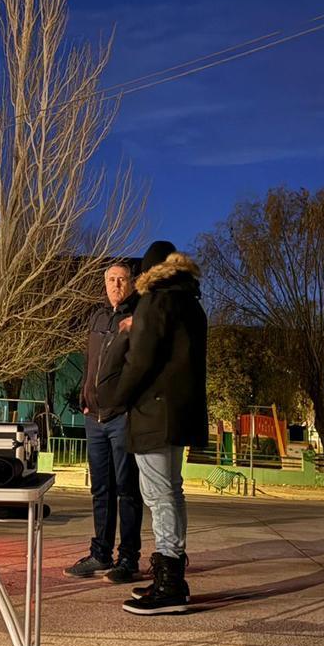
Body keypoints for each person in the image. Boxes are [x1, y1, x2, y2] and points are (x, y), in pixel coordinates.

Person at [109, 240, 208, 615]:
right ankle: (171, 571)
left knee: (159, 495)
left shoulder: (156, 300)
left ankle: (170, 582)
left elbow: (141, 360)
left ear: (148, 273)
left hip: (153, 412)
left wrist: (117, 397)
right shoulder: (191, 304)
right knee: (172, 491)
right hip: (179, 412)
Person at [64, 260, 144, 582]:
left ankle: (128, 559)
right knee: (101, 489)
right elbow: (90, 362)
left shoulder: (137, 317)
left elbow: (139, 366)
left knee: (127, 489)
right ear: (104, 283)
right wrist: (84, 397)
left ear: (131, 283)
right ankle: (101, 554)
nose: (115, 285)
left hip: (120, 417)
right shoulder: (98, 317)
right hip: (93, 419)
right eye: (111, 279)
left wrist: (127, 405)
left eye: (122, 279)